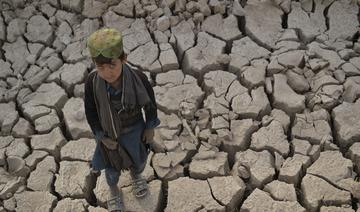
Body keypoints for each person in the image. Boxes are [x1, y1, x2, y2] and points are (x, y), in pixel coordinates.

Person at [84, 28, 160, 212]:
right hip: (110, 135)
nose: (107, 72)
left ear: (123, 58)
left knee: (139, 160)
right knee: (111, 168)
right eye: (100, 67)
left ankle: (136, 177)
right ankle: (114, 191)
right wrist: (101, 136)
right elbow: (91, 112)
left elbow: (150, 105)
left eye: (112, 65)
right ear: (94, 64)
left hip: (135, 129)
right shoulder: (92, 83)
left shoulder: (138, 78)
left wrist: (150, 127)